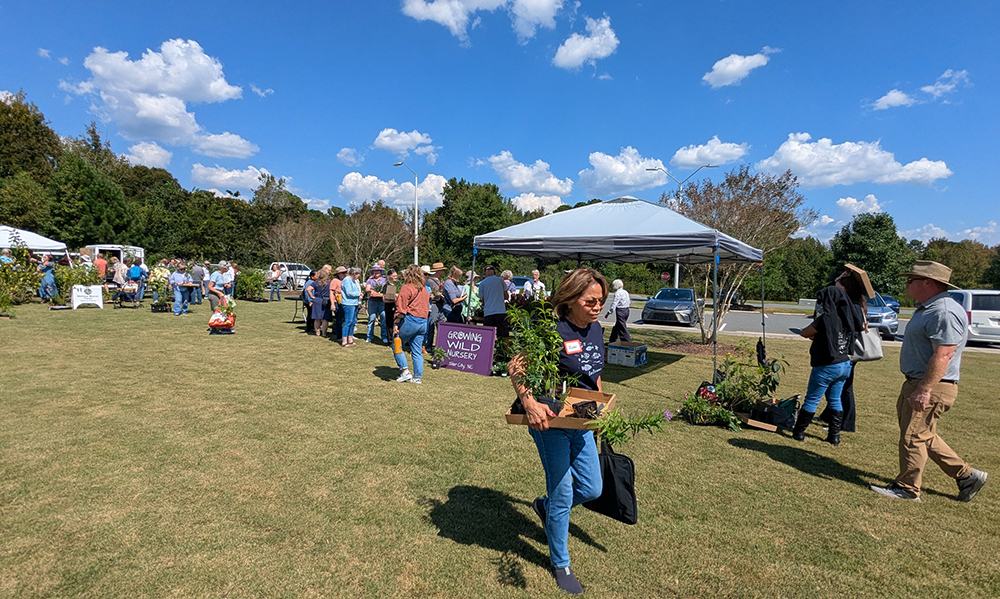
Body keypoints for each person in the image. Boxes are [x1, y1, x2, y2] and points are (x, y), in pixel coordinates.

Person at [508, 268, 607, 596]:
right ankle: (561, 563)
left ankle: (546, 507)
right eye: (591, 300)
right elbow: (516, 367)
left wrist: (600, 406)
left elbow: (594, 375)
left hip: (580, 420)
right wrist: (530, 403)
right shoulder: (552, 330)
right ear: (571, 298)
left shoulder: (596, 330)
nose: (597, 306)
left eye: (601, 301)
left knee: (592, 487)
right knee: (563, 492)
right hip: (548, 420)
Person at [870, 261, 989, 502]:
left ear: (928, 283)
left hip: (931, 385)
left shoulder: (943, 311)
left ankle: (907, 488)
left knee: (913, 437)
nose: (907, 285)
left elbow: (944, 353)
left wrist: (925, 389)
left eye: (911, 280)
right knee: (922, 434)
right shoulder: (929, 308)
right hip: (917, 382)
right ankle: (967, 476)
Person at [791, 264, 868, 446]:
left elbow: (806, 332)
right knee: (835, 398)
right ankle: (834, 436)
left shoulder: (826, 318)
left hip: (826, 364)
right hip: (844, 364)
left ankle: (799, 431)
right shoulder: (852, 315)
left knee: (813, 398)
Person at [392, 265, 430, 384]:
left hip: (410, 320)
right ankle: (417, 377)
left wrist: (396, 323)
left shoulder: (407, 287)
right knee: (417, 350)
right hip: (423, 322)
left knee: (396, 344)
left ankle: (405, 371)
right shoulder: (424, 289)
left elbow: (401, 309)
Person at [479, 265, 509, 337]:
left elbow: (482, 299)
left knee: (488, 336)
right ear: (494, 271)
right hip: (500, 311)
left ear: (485, 272)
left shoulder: (482, 283)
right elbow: (506, 296)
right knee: (503, 335)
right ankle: (503, 348)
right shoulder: (500, 280)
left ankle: (488, 348)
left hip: (488, 312)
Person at [424, 263, 446, 350]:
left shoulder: (438, 280)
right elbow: (431, 293)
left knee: (441, 324)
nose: (442, 272)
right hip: (434, 304)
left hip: (439, 304)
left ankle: (440, 345)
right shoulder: (430, 281)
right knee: (431, 324)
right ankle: (428, 345)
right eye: (441, 270)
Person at [365, 264, 388, 344]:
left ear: (380, 271)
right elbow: (368, 290)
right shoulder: (370, 280)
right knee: (372, 318)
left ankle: (384, 336)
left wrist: (376, 293)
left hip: (382, 302)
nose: (376, 272)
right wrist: (379, 294)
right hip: (372, 302)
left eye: (378, 270)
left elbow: (387, 290)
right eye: (375, 270)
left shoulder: (385, 280)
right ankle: (369, 337)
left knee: (383, 318)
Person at [604, 279, 632, 343]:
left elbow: (614, 303)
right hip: (627, 310)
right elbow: (628, 301)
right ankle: (612, 340)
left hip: (620, 311)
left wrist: (608, 313)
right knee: (617, 325)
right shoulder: (625, 292)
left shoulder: (617, 293)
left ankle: (627, 341)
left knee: (622, 327)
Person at [340, 267, 362, 346]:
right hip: (348, 304)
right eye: (358, 274)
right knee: (348, 322)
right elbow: (349, 293)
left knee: (353, 322)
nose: (358, 276)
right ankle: (344, 340)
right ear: (354, 273)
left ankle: (350, 339)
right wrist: (358, 294)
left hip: (355, 303)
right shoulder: (347, 280)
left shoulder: (355, 281)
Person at [310, 270, 332, 337]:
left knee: (317, 319)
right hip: (326, 300)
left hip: (317, 300)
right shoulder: (329, 282)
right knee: (325, 318)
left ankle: (317, 332)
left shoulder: (316, 282)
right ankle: (324, 333)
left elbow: (308, 289)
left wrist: (312, 297)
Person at [330, 266, 347, 342]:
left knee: (345, 320)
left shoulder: (346, 280)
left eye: (344, 272)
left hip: (346, 302)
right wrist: (332, 303)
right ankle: (339, 336)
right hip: (338, 302)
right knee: (339, 320)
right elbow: (331, 292)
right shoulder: (335, 281)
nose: (343, 274)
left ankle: (346, 335)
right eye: (342, 273)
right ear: (338, 274)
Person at [383, 269, 399, 341]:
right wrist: (395, 297)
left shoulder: (397, 284)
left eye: (396, 275)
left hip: (397, 307)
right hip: (389, 307)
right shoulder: (387, 286)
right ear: (389, 276)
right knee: (390, 323)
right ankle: (390, 340)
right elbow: (385, 298)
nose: (396, 277)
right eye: (394, 276)